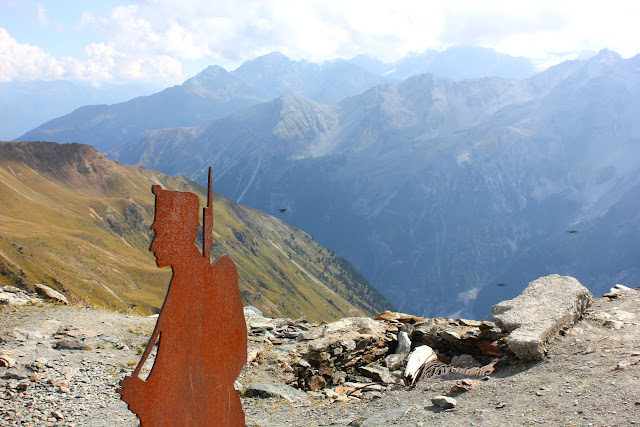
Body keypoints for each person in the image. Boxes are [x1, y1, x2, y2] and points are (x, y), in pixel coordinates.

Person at [117, 181, 247, 426]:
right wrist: (144, 398)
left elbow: (195, 383)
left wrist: (145, 399)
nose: (153, 245)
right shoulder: (183, 286)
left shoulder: (203, 284)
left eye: (160, 234)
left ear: (179, 234)